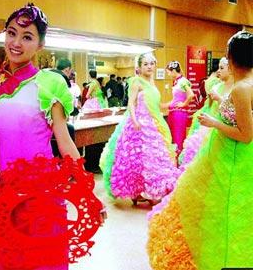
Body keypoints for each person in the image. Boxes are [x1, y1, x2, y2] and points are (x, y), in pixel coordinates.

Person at [0, 3, 81, 270]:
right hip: (5, 196)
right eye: (11, 33)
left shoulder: (50, 83)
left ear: (40, 44)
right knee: (9, 261)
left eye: (27, 37)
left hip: (42, 197)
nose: (17, 43)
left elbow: (64, 141)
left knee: (44, 263)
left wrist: (87, 192)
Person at [147, 30, 253, 270]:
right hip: (229, 152)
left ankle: (224, 256)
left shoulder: (241, 88)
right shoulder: (246, 84)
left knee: (224, 206)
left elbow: (246, 135)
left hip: (233, 155)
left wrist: (214, 122)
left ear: (232, 57)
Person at [99, 53, 179, 205]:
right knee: (137, 159)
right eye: (146, 64)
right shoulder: (136, 82)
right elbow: (131, 104)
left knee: (153, 158)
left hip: (153, 125)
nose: (149, 67)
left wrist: (171, 104)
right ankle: (137, 192)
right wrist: (135, 121)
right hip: (139, 125)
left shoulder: (153, 83)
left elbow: (156, 104)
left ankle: (153, 190)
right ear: (140, 67)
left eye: (152, 64)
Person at [179, 57, 233, 170]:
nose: (219, 71)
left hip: (224, 126)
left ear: (231, 69)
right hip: (212, 123)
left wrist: (218, 99)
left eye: (221, 68)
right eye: (218, 68)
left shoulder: (236, 88)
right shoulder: (217, 86)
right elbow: (210, 105)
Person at [163, 61, 194, 155]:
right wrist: (164, 105)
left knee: (178, 138)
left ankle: (179, 159)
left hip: (179, 113)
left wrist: (184, 104)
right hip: (173, 112)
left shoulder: (183, 81)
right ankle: (175, 158)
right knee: (173, 137)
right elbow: (175, 99)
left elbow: (191, 94)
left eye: (168, 72)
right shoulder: (177, 82)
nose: (168, 74)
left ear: (173, 71)